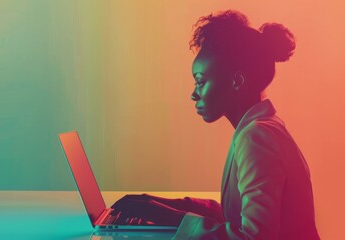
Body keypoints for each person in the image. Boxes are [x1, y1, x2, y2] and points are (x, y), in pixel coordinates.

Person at [111, 10, 321, 239]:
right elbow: (235, 215)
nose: (194, 94)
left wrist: (166, 215)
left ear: (236, 81)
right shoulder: (260, 128)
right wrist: (155, 205)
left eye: (200, 81)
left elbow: (253, 236)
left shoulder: (257, 137)